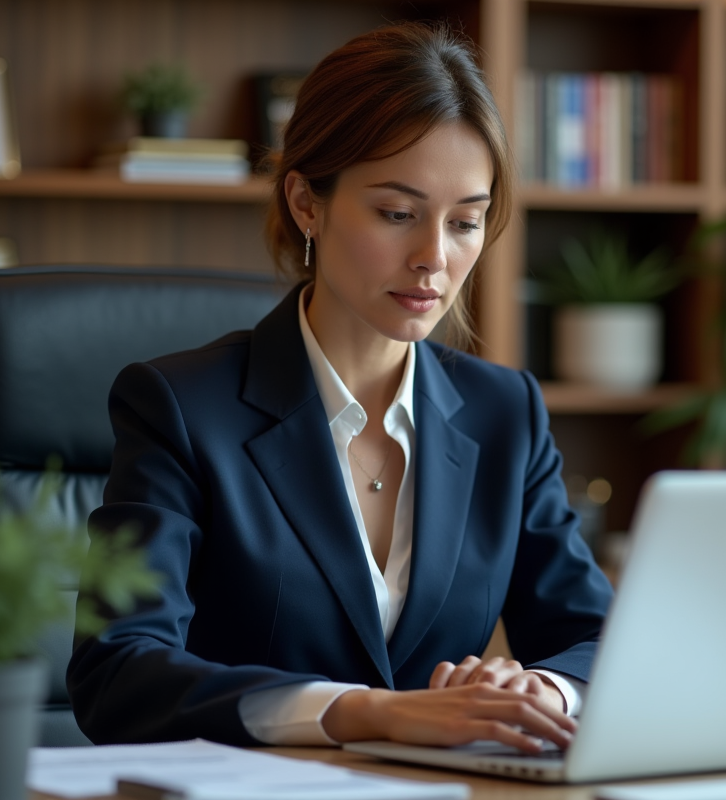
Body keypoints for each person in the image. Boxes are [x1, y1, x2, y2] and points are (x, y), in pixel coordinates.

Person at [67, 21, 613, 753]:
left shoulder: (505, 412)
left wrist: (541, 690)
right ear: (306, 203)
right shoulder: (179, 408)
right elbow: (116, 672)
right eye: (397, 214)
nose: (434, 259)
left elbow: (597, 637)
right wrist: (364, 712)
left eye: (466, 223)